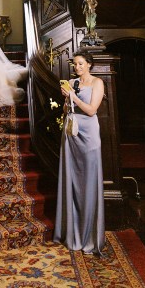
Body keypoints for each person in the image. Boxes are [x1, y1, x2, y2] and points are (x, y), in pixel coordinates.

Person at [54, 51, 105, 255]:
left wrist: (74, 97)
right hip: (71, 134)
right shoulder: (72, 82)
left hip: (89, 135)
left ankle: (89, 236)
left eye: (81, 64)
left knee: (89, 181)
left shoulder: (97, 82)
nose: (77, 67)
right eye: (75, 64)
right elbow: (68, 111)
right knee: (72, 180)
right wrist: (67, 100)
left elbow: (92, 110)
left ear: (89, 65)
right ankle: (72, 232)